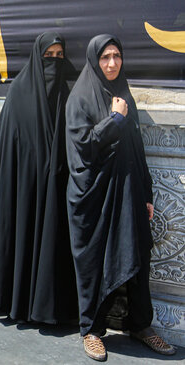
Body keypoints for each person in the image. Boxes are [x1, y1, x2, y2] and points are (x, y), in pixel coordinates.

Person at [65, 34, 176, 361]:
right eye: (105, 58)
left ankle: (141, 325)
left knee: (137, 256)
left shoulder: (123, 93)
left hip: (128, 194)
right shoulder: (80, 99)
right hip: (95, 200)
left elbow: (136, 149)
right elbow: (82, 150)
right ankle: (91, 330)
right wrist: (113, 120)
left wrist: (146, 192)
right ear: (93, 61)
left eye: (116, 56)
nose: (112, 63)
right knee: (95, 264)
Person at [0, 32, 78, 324]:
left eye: (60, 56)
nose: (55, 62)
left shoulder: (64, 96)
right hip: (22, 188)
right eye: (50, 56)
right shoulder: (20, 92)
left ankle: (46, 307)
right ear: (38, 57)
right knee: (22, 238)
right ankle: (17, 303)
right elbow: (4, 150)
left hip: (54, 190)